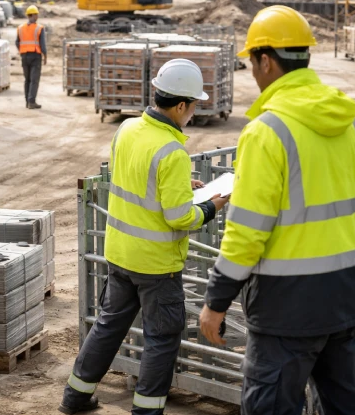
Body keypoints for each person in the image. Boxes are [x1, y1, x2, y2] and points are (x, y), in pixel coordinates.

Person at [198, 6, 355, 415]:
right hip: (344, 298)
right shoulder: (350, 125)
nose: (252, 72)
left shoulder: (267, 132)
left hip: (285, 310)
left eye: (251, 62)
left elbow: (246, 233)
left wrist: (216, 301)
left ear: (266, 60)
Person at [60, 59, 229, 415]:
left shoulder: (127, 128)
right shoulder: (172, 150)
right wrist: (212, 205)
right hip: (156, 265)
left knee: (108, 327)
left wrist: (180, 185)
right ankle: (147, 411)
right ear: (180, 105)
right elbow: (180, 217)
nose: (194, 113)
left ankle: (75, 396)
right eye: (193, 106)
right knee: (161, 340)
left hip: (120, 254)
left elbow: (131, 176)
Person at [16, 5, 47, 109]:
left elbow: (17, 42)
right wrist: (45, 56)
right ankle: (31, 102)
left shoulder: (20, 28)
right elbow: (42, 45)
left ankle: (27, 102)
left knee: (27, 79)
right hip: (35, 56)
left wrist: (22, 51)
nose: (37, 16)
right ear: (32, 15)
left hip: (24, 56)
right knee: (34, 80)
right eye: (36, 14)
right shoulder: (39, 28)